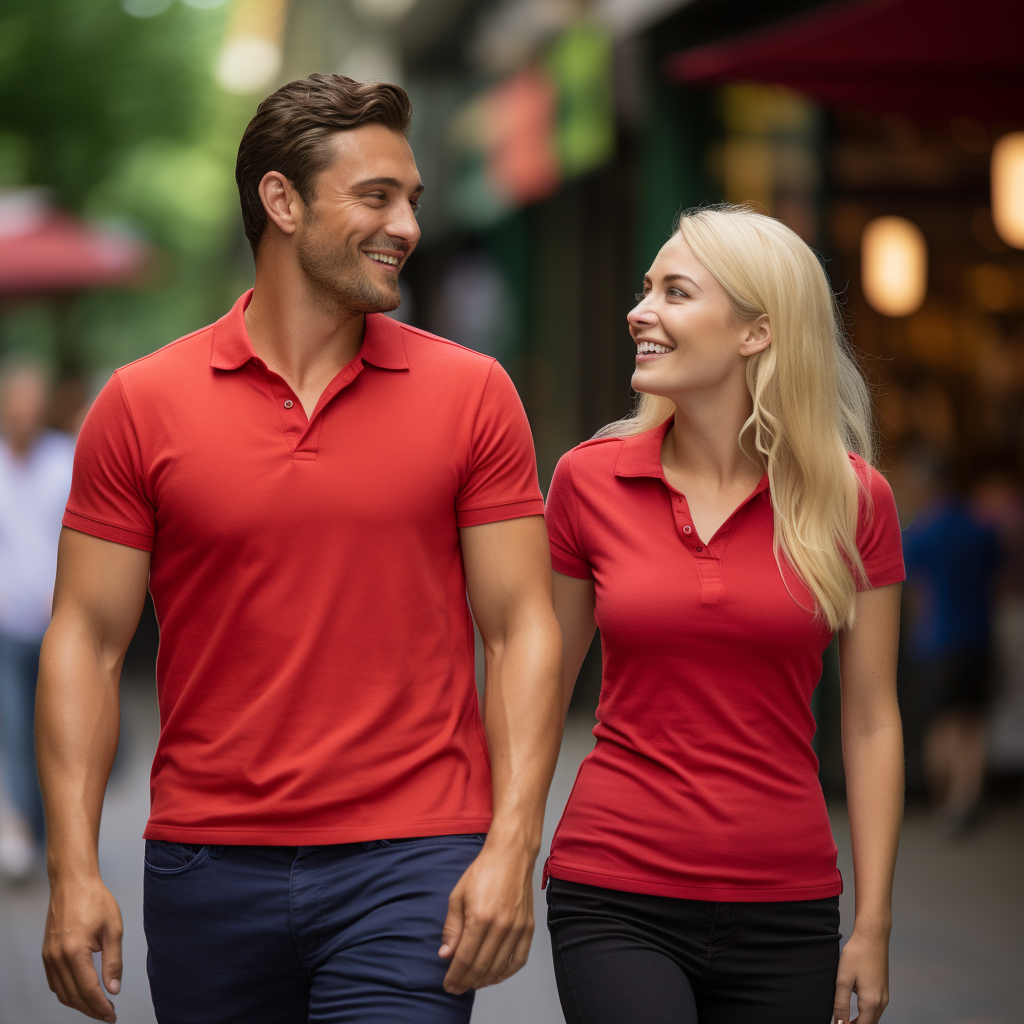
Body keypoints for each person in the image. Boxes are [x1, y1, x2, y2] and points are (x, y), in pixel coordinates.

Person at [37, 74, 562, 1024]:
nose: (406, 224)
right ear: (281, 202)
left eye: (412, 200)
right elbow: (85, 639)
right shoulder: (141, 404)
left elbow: (522, 628)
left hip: (412, 861)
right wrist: (73, 871)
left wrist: (511, 847)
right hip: (206, 866)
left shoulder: (474, 394)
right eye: (376, 197)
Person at [543, 205, 905, 1024]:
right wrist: (500, 849)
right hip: (613, 888)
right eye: (645, 290)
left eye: (675, 293)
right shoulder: (587, 481)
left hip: (789, 903)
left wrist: (874, 924)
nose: (640, 312)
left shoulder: (855, 501)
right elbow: (538, 688)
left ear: (756, 333)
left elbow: (874, 721)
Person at [0, 360, 75, 880]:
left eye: (32, 404)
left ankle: (48, 833)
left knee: (55, 729)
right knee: (14, 729)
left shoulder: (63, 460)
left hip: (56, 621)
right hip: (7, 623)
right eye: (16, 404)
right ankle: (25, 831)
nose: (24, 414)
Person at [901, 447, 999, 832]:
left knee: (940, 723)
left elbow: (912, 591)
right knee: (973, 720)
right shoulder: (981, 528)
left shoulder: (921, 533)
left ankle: (948, 801)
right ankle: (968, 794)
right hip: (980, 636)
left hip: (938, 638)